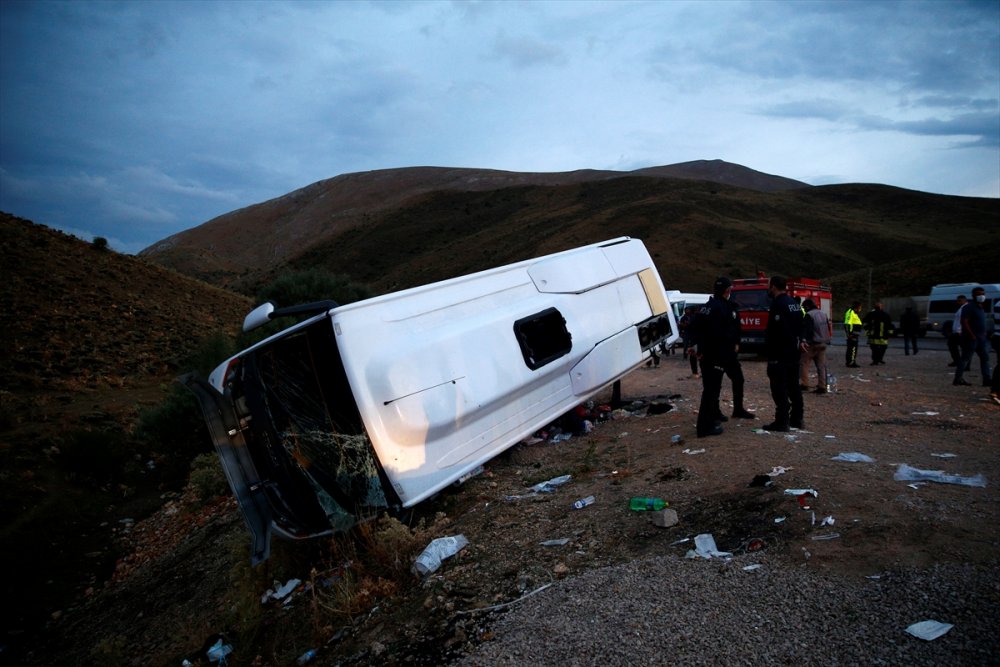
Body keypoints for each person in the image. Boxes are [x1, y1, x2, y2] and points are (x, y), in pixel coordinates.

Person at [688, 277, 738, 437]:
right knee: (711, 391)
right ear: (727, 291)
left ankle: (709, 421)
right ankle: (704, 427)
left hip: (705, 355)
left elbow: (695, 327)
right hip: (716, 355)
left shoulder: (706, 307)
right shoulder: (724, 308)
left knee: (710, 389)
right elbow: (724, 334)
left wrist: (696, 347)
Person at [763, 276, 807, 432]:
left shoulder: (778, 304)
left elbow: (775, 330)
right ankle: (797, 418)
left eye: (769, 286)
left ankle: (782, 420)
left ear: (774, 287)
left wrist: (769, 349)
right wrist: (801, 340)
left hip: (780, 353)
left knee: (779, 388)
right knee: (794, 386)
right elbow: (802, 325)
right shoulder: (794, 304)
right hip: (793, 353)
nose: (768, 289)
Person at [953, 286, 992, 387]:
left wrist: (984, 333)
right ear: (973, 295)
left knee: (985, 358)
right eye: (979, 294)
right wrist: (971, 334)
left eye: (983, 294)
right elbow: (964, 321)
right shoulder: (969, 307)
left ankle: (987, 379)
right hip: (971, 338)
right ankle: (958, 378)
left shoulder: (980, 307)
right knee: (965, 358)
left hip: (981, 338)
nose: (981, 296)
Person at [800, 298, 832, 393]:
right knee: (821, 366)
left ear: (807, 306)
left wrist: (804, 340)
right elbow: (828, 327)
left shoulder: (809, 315)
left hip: (812, 343)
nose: (804, 310)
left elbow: (807, 330)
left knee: (804, 363)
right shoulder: (823, 314)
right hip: (823, 343)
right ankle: (822, 386)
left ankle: (804, 384)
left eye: (804, 308)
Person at [679, 306, 700, 378]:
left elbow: (690, 325)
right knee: (687, 347)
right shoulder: (685, 317)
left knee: (694, 354)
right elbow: (682, 325)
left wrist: (687, 324)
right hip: (689, 335)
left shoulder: (693, 317)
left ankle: (695, 373)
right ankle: (695, 373)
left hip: (695, 337)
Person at [947, 295, 968, 367]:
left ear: (964, 300)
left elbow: (963, 321)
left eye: (960, 301)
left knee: (953, 345)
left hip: (960, 332)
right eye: (958, 301)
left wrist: (959, 330)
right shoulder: (961, 308)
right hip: (958, 331)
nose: (958, 302)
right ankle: (959, 361)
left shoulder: (965, 308)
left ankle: (959, 361)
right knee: (960, 347)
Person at [844, 301, 863, 368]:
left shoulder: (854, 313)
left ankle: (851, 361)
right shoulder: (850, 313)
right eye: (859, 308)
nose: (860, 310)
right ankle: (850, 362)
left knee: (853, 349)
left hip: (854, 335)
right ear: (856, 308)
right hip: (852, 336)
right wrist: (849, 334)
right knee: (852, 349)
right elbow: (847, 324)